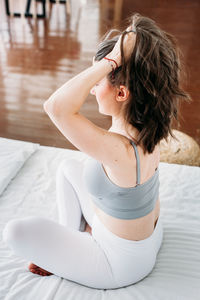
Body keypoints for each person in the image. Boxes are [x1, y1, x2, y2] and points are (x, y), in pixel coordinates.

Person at [2, 13, 191, 289]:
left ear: (122, 93)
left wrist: (111, 61)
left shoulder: (120, 149)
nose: (92, 89)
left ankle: (75, 248)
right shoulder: (148, 126)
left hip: (119, 264)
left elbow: (56, 107)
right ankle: (74, 240)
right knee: (68, 168)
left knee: (14, 232)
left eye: (99, 80)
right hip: (146, 237)